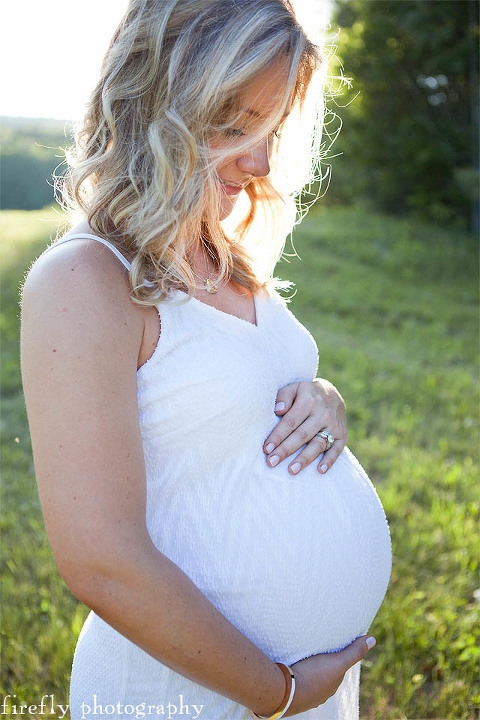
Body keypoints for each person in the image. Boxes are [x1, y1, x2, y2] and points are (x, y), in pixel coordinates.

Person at [20, 1, 392, 718]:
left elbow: (226, 398)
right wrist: (277, 692)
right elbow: (101, 560)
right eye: (232, 127)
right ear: (152, 104)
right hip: (191, 697)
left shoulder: (220, 250)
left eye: (270, 129)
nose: (259, 162)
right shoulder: (83, 281)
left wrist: (321, 397)